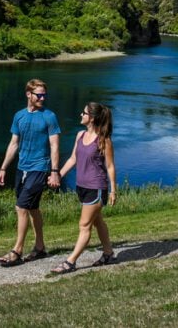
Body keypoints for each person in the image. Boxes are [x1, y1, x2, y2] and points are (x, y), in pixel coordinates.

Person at [0, 78, 61, 267]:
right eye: (38, 95)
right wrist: (3, 167)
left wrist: (54, 171)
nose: (42, 98)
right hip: (21, 168)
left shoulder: (49, 116)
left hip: (39, 168)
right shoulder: (19, 116)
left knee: (21, 207)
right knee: (32, 208)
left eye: (44, 95)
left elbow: (55, 145)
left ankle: (17, 251)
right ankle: (40, 247)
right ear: (28, 94)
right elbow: (14, 143)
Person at [51, 101, 117, 273]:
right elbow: (73, 159)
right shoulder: (80, 135)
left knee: (84, 225)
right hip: (81, 187)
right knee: (97, 221)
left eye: (84, 113)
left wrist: (113, 190)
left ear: (92, 118)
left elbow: (110, 166)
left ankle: (70, 262)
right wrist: (58, 175)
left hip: (96, 188)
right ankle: (108, 253)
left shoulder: (104, 140)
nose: (81, 115)